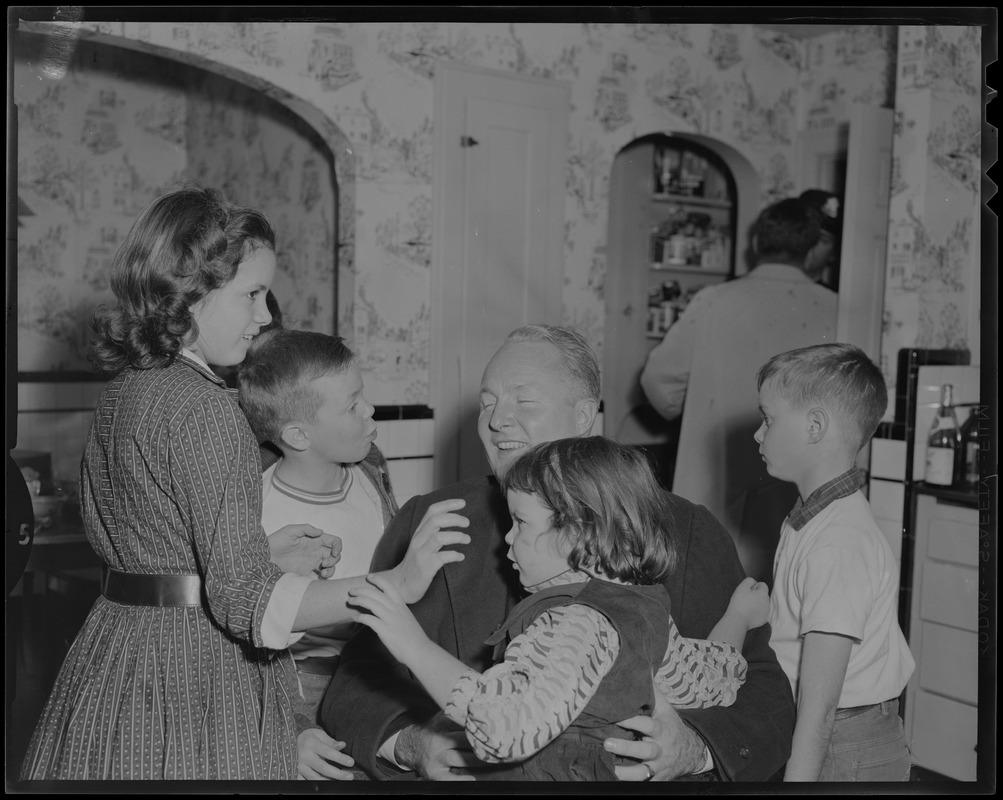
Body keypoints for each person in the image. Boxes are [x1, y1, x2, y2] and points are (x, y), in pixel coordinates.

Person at [19, 185, 470, 781]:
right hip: (194, 669)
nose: (263, 317)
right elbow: (245, 603)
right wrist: (396, 583)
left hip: (119, 649)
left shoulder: (127, 389)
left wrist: (259, 552)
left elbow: (155, 554)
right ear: (189, 294)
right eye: (251, 294)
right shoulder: (207, 409)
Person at [323, 324, 795, 782]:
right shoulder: (431, 520)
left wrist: (694, 749)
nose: (496, 419)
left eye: (524, 401)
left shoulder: (687, 529)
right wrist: (410, 742)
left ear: (585, 415)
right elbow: (356, 679)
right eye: (487, 402)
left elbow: (759, 688)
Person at [348, 435, 770, 780]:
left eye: (522, 523)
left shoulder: (577, 623)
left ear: (579, 533)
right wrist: (737, 618)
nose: (507, 539)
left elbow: (505, 729)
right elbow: (713, 678)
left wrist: (413, 645)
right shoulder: (643, 607)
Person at [639, 198, 838, 584]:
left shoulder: (713, 301)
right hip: (797, 474)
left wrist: (692, 408)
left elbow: (657, 382)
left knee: (706, 588)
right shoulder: (836, 307)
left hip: (715, 471)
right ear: (811, 247)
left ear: (757, 244)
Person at [237, 328, 400, 780]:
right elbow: (242, 654)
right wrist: (285, 731)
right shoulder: (255, 510)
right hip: (297, 689)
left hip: (377, 675)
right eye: (351, 405)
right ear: (298, 435)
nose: (369, 410)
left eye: (362, 395)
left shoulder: (372, 471)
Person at [755, 343, 914, 781]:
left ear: (815, 426)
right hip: (829, 728)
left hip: (847, 742)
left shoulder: (837, 542)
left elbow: (821, 705)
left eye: (768, 420)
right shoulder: (814, 517)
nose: (758, 434)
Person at [799, 189, 843, 291]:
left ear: (833, 254)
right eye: (806, 234)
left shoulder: (833, 302)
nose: (811, 242)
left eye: (822, 239)